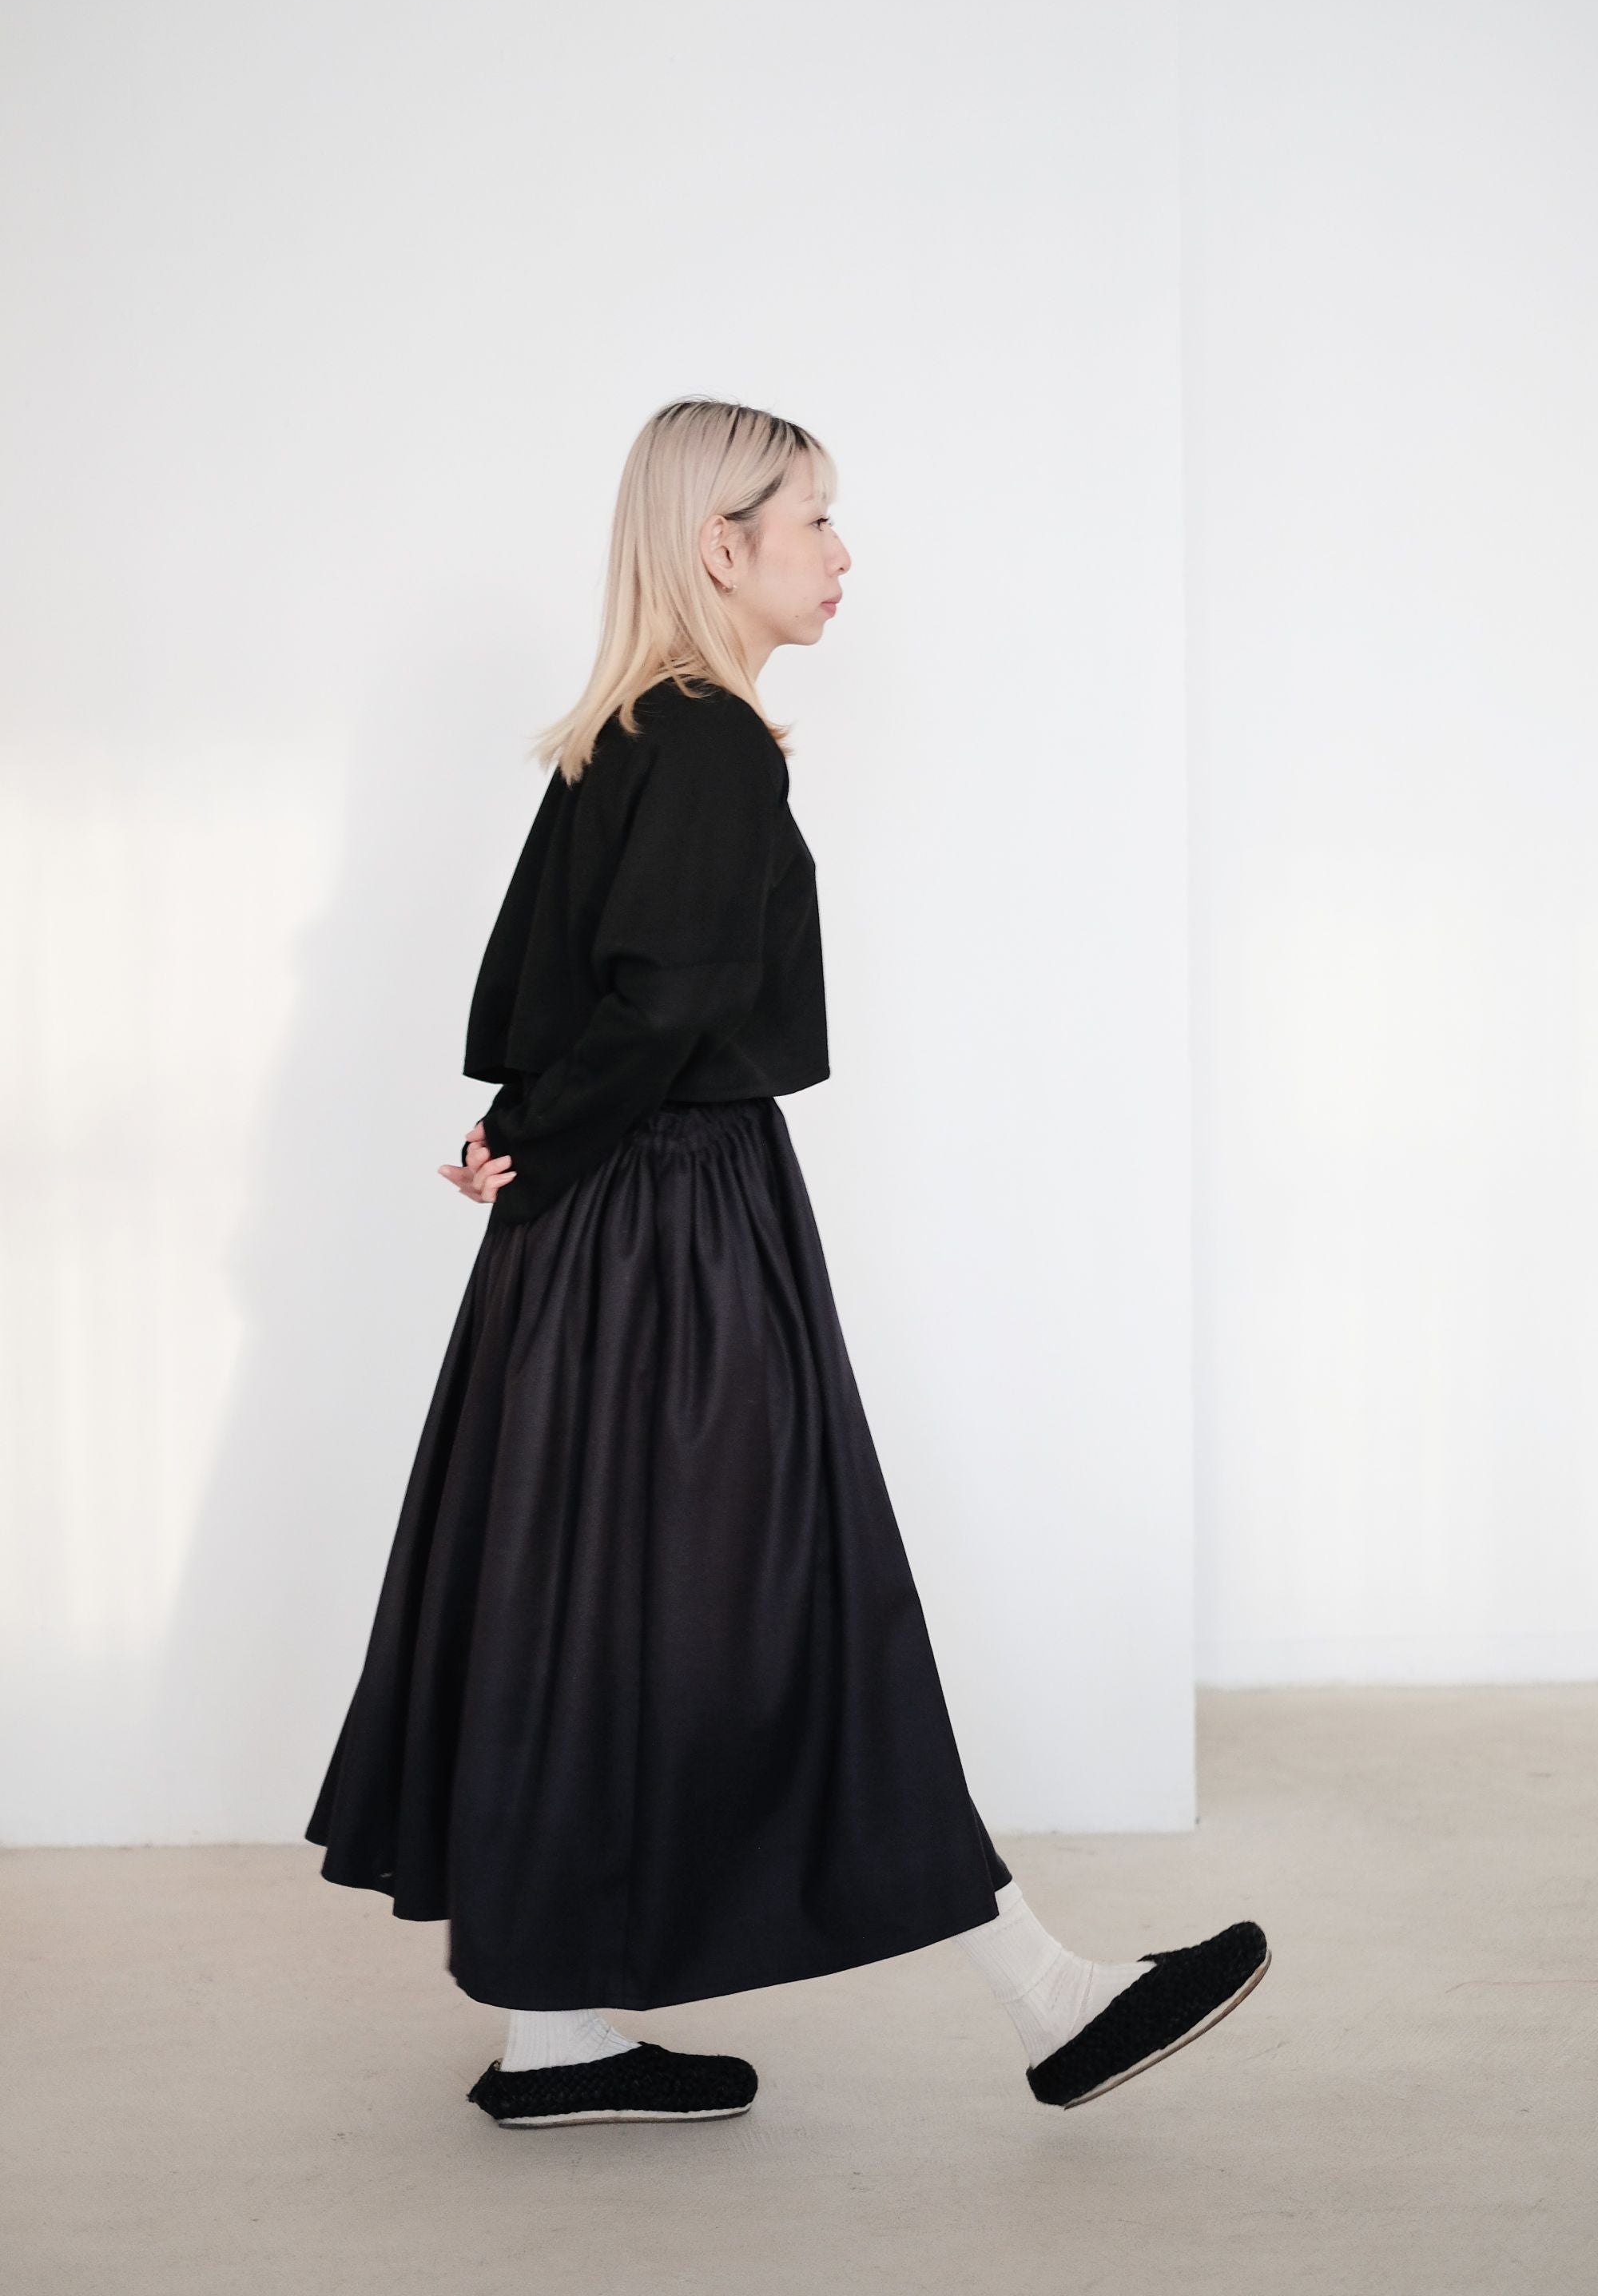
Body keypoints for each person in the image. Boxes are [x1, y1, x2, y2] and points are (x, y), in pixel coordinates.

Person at [305, 397, 1269, 2131]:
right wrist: (540, 1135)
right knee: (792, 1596)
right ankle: (1049, 1998)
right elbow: (662, 998)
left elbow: (580, 995)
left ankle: (558, 2039)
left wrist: (525, 1140)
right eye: (812, 520)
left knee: (588, 1602)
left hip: (597, 1226)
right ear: (719, 545)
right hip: (675, 1220)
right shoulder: (711, 743)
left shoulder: (627, 736)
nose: (841, 554)